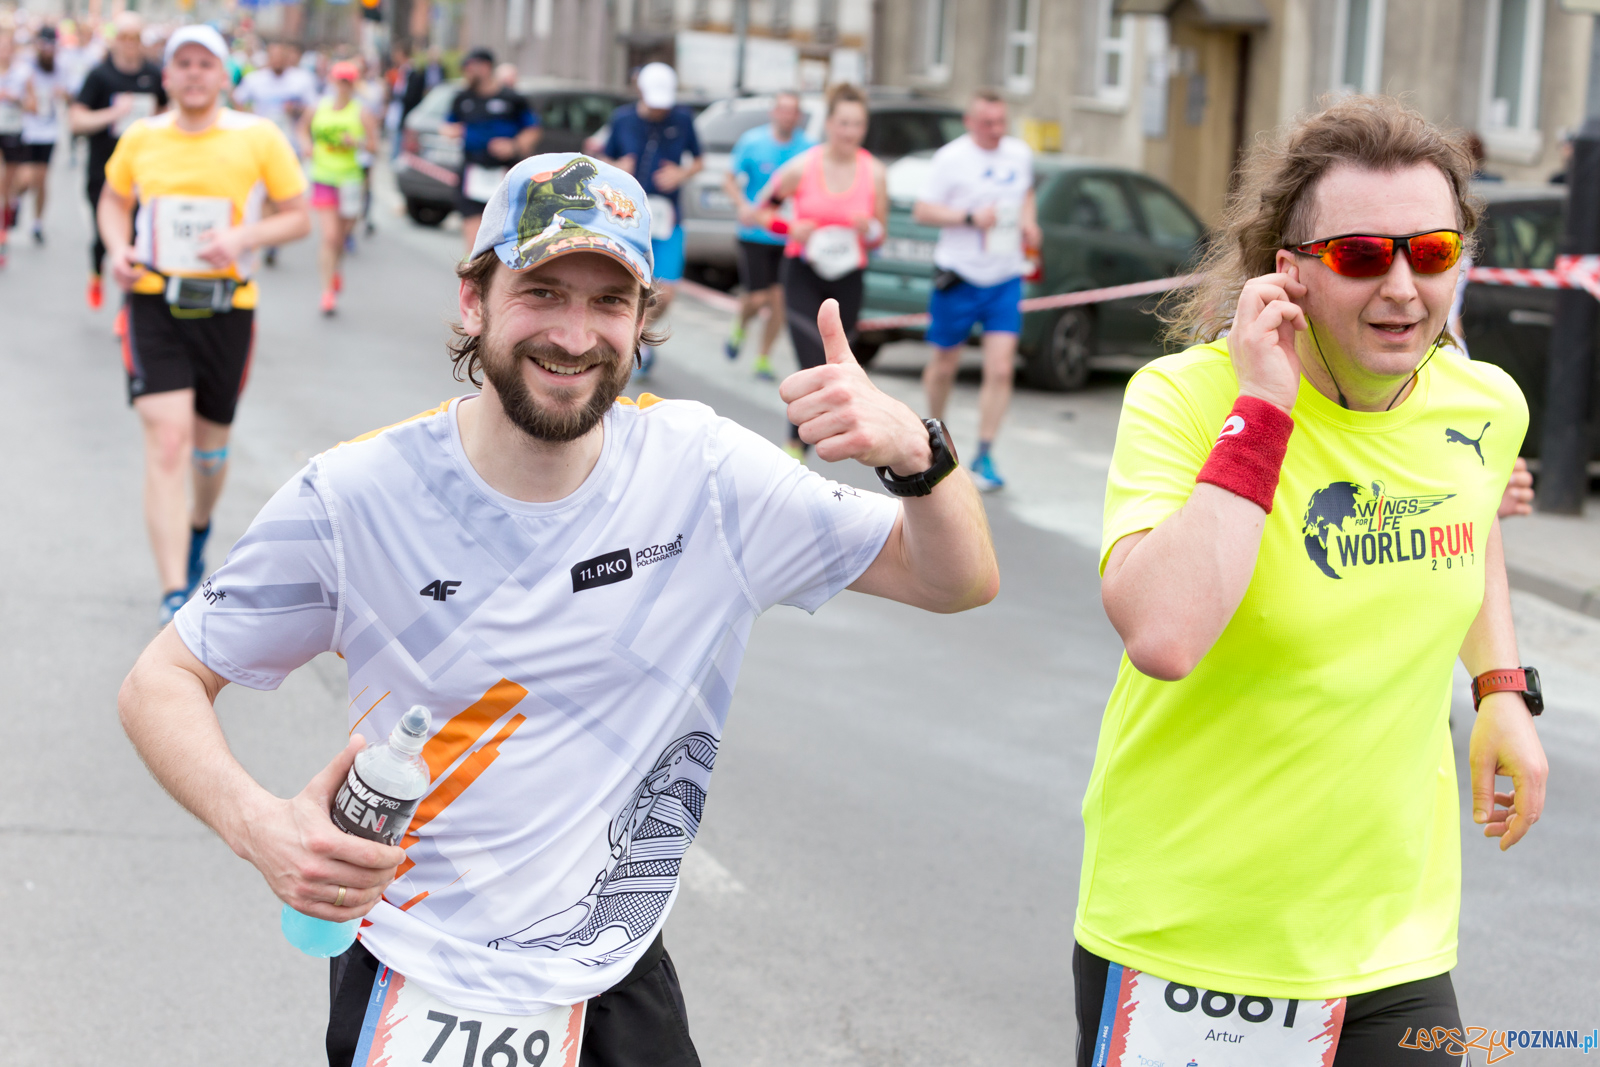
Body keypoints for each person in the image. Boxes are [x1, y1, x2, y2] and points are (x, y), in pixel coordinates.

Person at [116, 151, 998, 1067]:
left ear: (643, 319)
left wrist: (919, 457)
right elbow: (161, 679)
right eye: (543, 290)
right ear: (475, 298)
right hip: (412, 978)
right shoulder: (360, 495)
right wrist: (256, 825)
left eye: (610, 301)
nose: (576, 335)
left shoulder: (706, 477)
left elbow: (954, 579)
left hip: (614, 982)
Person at [1074, 98, 1546, 1066]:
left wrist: (1501, 688)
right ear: (1287, 272)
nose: (1405, 287)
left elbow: (1468, 525)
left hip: (1391, 934)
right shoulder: (1186, 399)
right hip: (1192, 933)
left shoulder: (1484, 402)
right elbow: (1162, 633)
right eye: (1363, 255)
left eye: (1433, 250)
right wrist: (1261, 406)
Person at [98, 23, 310, 623]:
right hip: (153, 300)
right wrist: (116, 247)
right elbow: (113, 200)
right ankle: (173, 595)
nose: (193, 73)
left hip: (227, 307)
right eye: (182, 63)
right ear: (166, 76)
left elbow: (297, 217)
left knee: (208, 454)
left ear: (223, 76)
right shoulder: (142, 137)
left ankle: (199, 524)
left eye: (204, 64)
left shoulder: (258, 137)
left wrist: (245, 234)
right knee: (168, 440)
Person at [750, 83, 887, 460]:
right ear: (828, 124)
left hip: (848, 279)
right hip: (804, 275)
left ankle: (803, 447)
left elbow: (880, 234)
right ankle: (795, 446)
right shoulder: (802, 167)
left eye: (857, 124)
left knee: (836, 368)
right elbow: (761, 211)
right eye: (843, 123)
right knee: (813, 362)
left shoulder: (874, 172)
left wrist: (868, 230)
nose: (849, 132)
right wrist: (789, 228)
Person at [914, 88, 1039, 492]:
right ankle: (933, 439)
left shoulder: (1018, 154)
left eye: (1001, 122)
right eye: (987, 123)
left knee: (1001, 368)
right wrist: (969, 217)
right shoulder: (951, 158)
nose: (996, 130)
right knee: (944, 366)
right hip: (960, 274)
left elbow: (1026, 195)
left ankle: (985, 452)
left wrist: (1030, 223)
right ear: (970, 122)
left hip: (1005, 276)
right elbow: (922, 211)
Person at [601, 62, 703, 378]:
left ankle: (638, 336)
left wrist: (681, 173)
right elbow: (603, 158)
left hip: (666, 215)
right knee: (623, 280)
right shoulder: (623, 119)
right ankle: (619, 340)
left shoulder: (683, 120)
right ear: (641, 91)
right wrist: (619, 166)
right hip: (624, 213)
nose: (659, 110)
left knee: (667, 291)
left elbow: (699, 160)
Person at [70, 11, 166, 311]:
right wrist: (115, 113)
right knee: (104, 234)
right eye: (124, 38)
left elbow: (168, 114)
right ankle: (96, 272)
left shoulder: (153, 74)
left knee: (137, 235)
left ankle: (128, 306)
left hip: (144, 171)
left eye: (135, 38)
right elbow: (76, 120)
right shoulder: (100, 74)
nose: (129, 45)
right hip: (104, 168)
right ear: (114, 41)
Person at [726, 89, 812, 381]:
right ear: (774, 112)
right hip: (755, 233)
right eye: (783, 109)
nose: (787, 116)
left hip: (788, 236)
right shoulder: (753, 142)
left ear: (798, 116)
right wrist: (743, 206)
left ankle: (763, 358)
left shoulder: (808, 148)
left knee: (779, 300)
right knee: (759, 298)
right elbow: (729, 179)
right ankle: (741, 322)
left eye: (793, 111)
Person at [441, 47, 540, 254]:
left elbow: (533, 130)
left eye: (470, 68)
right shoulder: (463, 98)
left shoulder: (512, 99)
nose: (466, 73)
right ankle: (473, 279)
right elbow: (446, 125)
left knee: (504, 235)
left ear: (485, 67)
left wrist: (513, 145)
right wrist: (455, 131)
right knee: (473, 234)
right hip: (473, 170)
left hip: (504, 173)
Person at [300, 59, 376, 315]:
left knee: (341, 237)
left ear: (353, 84)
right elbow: (302, 130)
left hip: (350, 180)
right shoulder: (318, 107)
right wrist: (306, 145)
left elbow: (375, 146)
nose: (343, 86)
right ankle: (327, 293)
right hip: (323, 177)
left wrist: (357, 142)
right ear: (332, 81)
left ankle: (336, 271)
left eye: (348, 81)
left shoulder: (361, 111)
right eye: (339, 80)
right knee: (330, 236)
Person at [231, 38, 316, 266]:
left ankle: (273, 238)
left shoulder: (300, 80)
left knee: (284, 197)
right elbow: (238, 99)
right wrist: (248, 119)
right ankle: (269, 241)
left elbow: (312, 108)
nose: (277, 61)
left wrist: (296, 112)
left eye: (282, 57)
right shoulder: (255, 80)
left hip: (290, 145)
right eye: (273, 57)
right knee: (265, 196)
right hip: (261, 147)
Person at [7, 24, 67, 246]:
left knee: (41, 180)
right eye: (44, 44)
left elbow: (71, 94)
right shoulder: (26, 67)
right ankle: (13, 202)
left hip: (49, 129)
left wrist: (63, 94)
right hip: (28, 127)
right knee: (25, 177)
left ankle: (37, 223)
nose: (48, 49)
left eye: (52, 45)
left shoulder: (59, 67)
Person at [0, 25, 22, 266]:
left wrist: (16, 99)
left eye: (7, 47)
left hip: (14, 133)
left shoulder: (22, 73)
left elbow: (35, 106)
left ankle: (5, 228)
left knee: (8, 188)